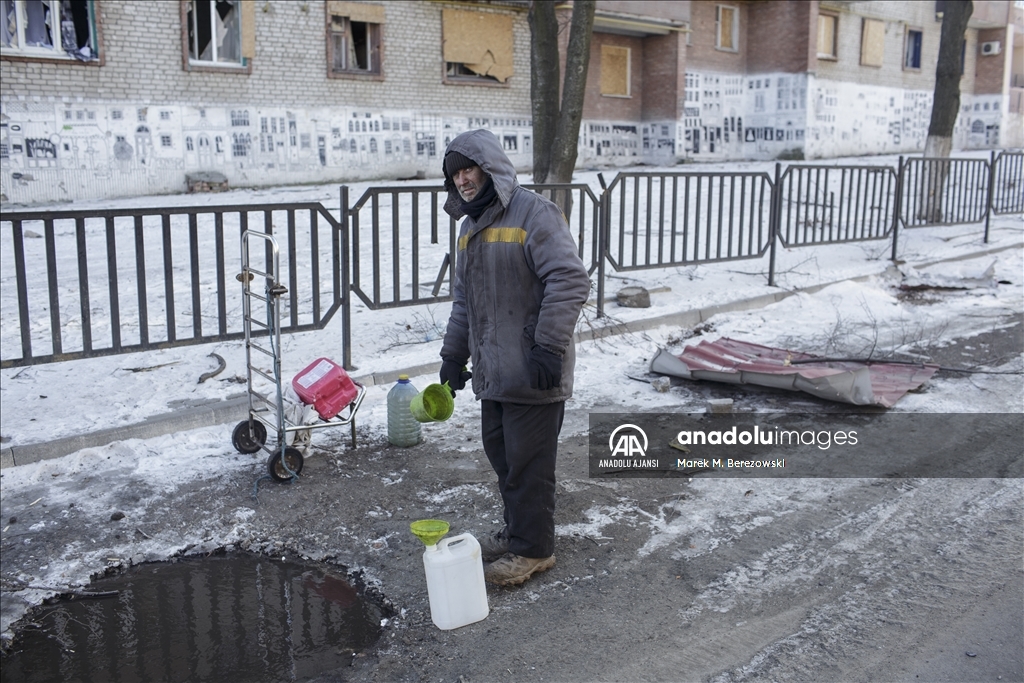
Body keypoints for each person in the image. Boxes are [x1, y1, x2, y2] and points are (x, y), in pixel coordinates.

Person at [438, 129, 591, 586]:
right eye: (455, 174)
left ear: (490, 168)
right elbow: (465, 300)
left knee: (529, 463)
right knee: (504, 457)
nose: (463, 180)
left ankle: (534, 550)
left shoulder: (535, 214)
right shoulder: (469, 228)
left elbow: (569, 280)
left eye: (469, 169)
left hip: (533, 369)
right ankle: (521, 531)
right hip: (494, 372)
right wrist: (452, 356)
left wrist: (548, 346)